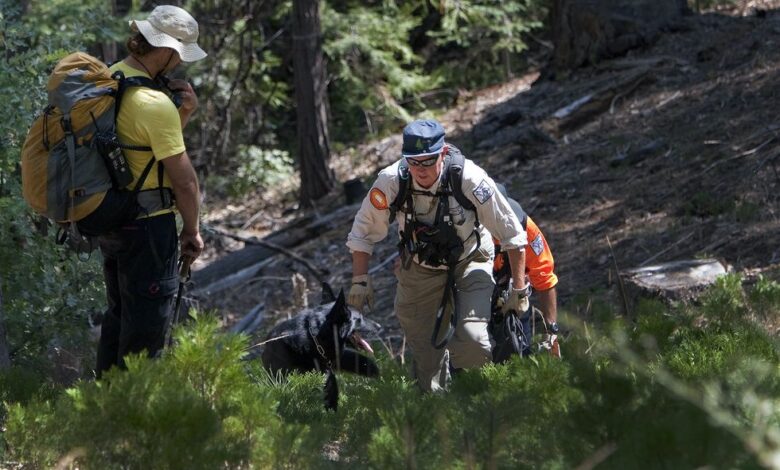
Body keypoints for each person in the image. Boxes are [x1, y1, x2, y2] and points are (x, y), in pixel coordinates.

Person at [346, 119, 529, 392]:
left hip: (471, 258)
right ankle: (438, 414)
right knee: (426, 356)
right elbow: (362, 234)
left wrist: (518, 289)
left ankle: (479, 400)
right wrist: (360, 282)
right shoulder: (391, 181)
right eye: (414, 161)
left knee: (472, 341)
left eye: (428, 161)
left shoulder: (468, 178)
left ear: (442, 154)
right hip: (420, 265)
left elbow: (513, 235)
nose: (420, 169)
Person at [93, 5, 206, 378]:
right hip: (149, 228)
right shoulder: (155, 103)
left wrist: (183, 115)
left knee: (119, 316)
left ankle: (102, 411)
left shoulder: (110, 79)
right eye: (178, 55)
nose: (177, 64)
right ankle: (136, 425)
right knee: (146, 333)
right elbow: (185, 182)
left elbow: (137, 151)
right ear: (168, 50)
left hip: (113, 218)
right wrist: (192, 230)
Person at [491, 190, 561, 358]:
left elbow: (544, 278)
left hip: (512, 301)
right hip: (468, 301)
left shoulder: (524, 226)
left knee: (518, 360)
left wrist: (550, 332)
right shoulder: (466, 225)